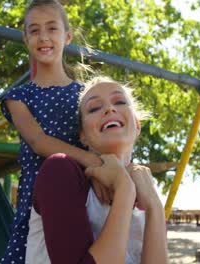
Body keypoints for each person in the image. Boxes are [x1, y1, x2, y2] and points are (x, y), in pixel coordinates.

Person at [0, 0, 108, 263]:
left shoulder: (85, 95)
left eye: (52, 28)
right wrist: (91, 160)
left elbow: (101, 140)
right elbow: (38, 141)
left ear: (67, 36)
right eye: (34, 30)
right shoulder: (19, 96)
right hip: (36, 199)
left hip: (79, 196)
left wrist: (105, 168)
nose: (43, 37)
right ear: (26, 40)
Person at [26, 76, 169, 263]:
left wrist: (155, 207)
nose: (110, 109)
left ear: (137, 125)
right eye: (94, 108)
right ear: (83, 136)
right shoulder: (59, 172)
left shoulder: (146, 189)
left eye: (119, 102)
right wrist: (124, 188)